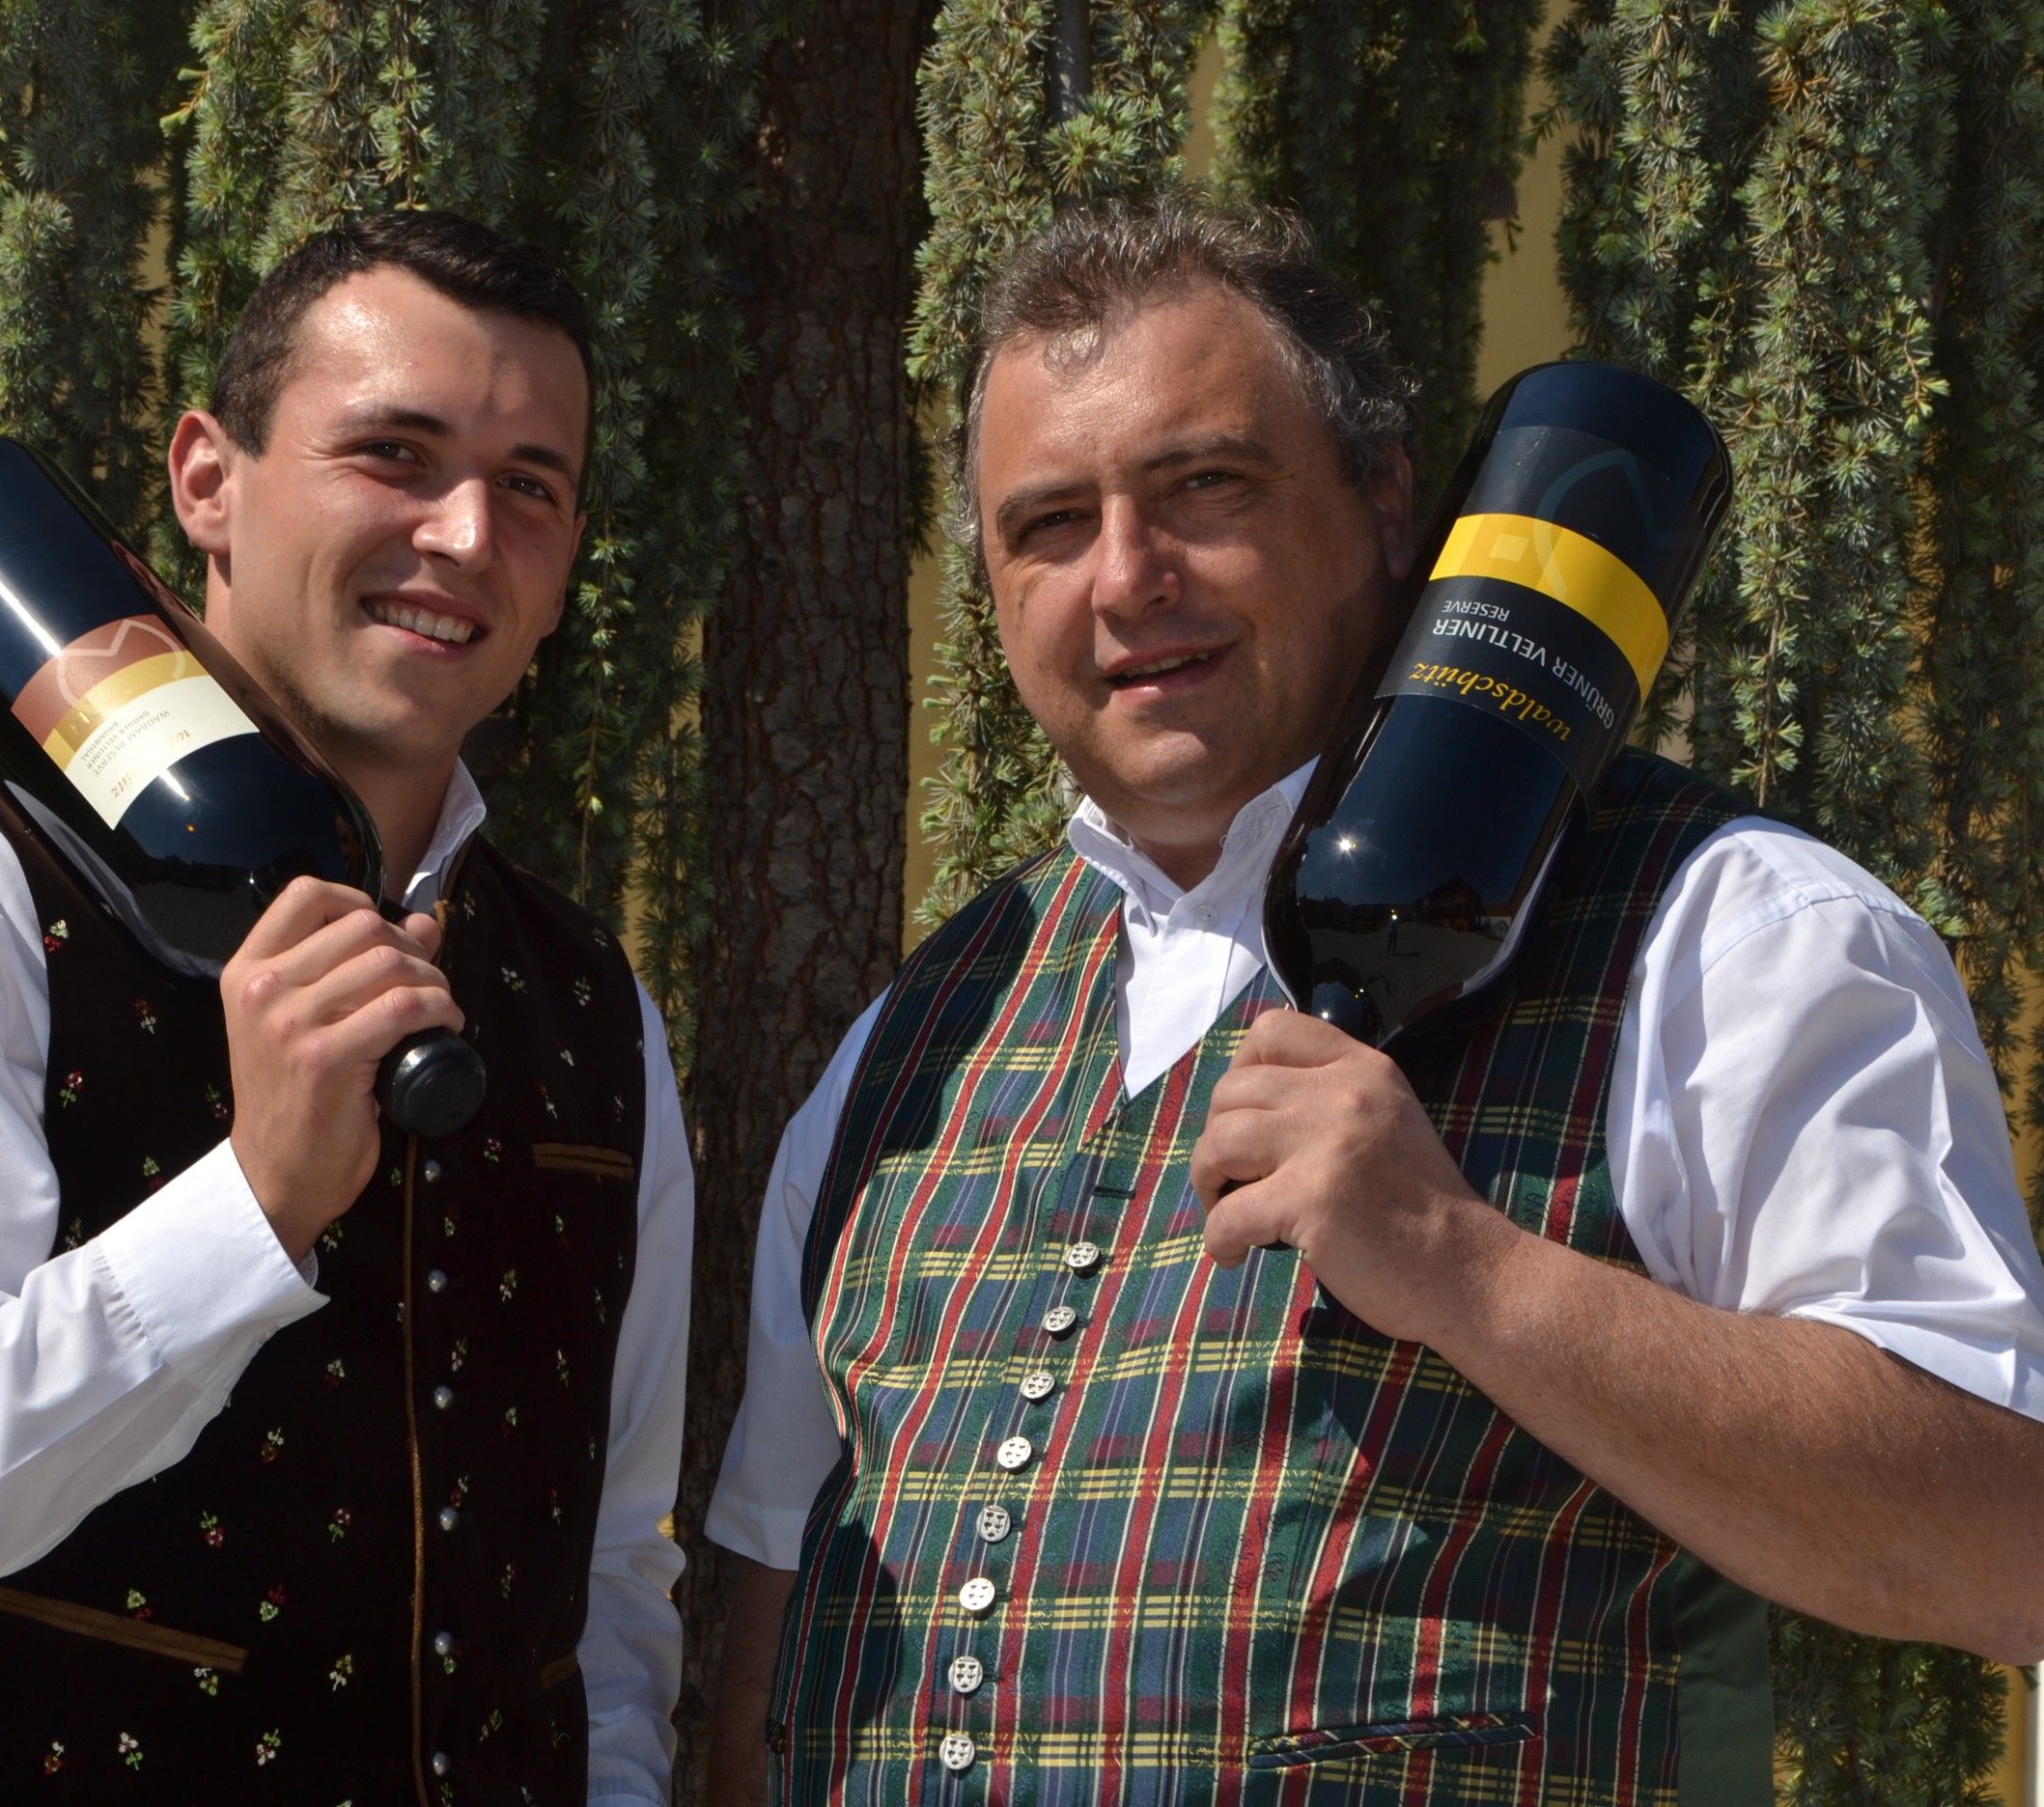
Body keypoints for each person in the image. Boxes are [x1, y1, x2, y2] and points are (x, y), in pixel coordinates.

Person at [701, 195, 2044, 1805]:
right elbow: (775, 1650)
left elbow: (2004, 1542)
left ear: (1388, 507)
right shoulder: (911, 1041)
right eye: (1048, 524)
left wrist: (1469, 1273)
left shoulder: (1731, 930)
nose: (1127, 578)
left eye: (1204, 487)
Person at [0, 209, 690, 1806]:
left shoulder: (592, 1005)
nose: (460, 533)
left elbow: (607, 1589)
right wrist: (246, 1213)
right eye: (395, 451)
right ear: (205, 483)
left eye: (530, 486)